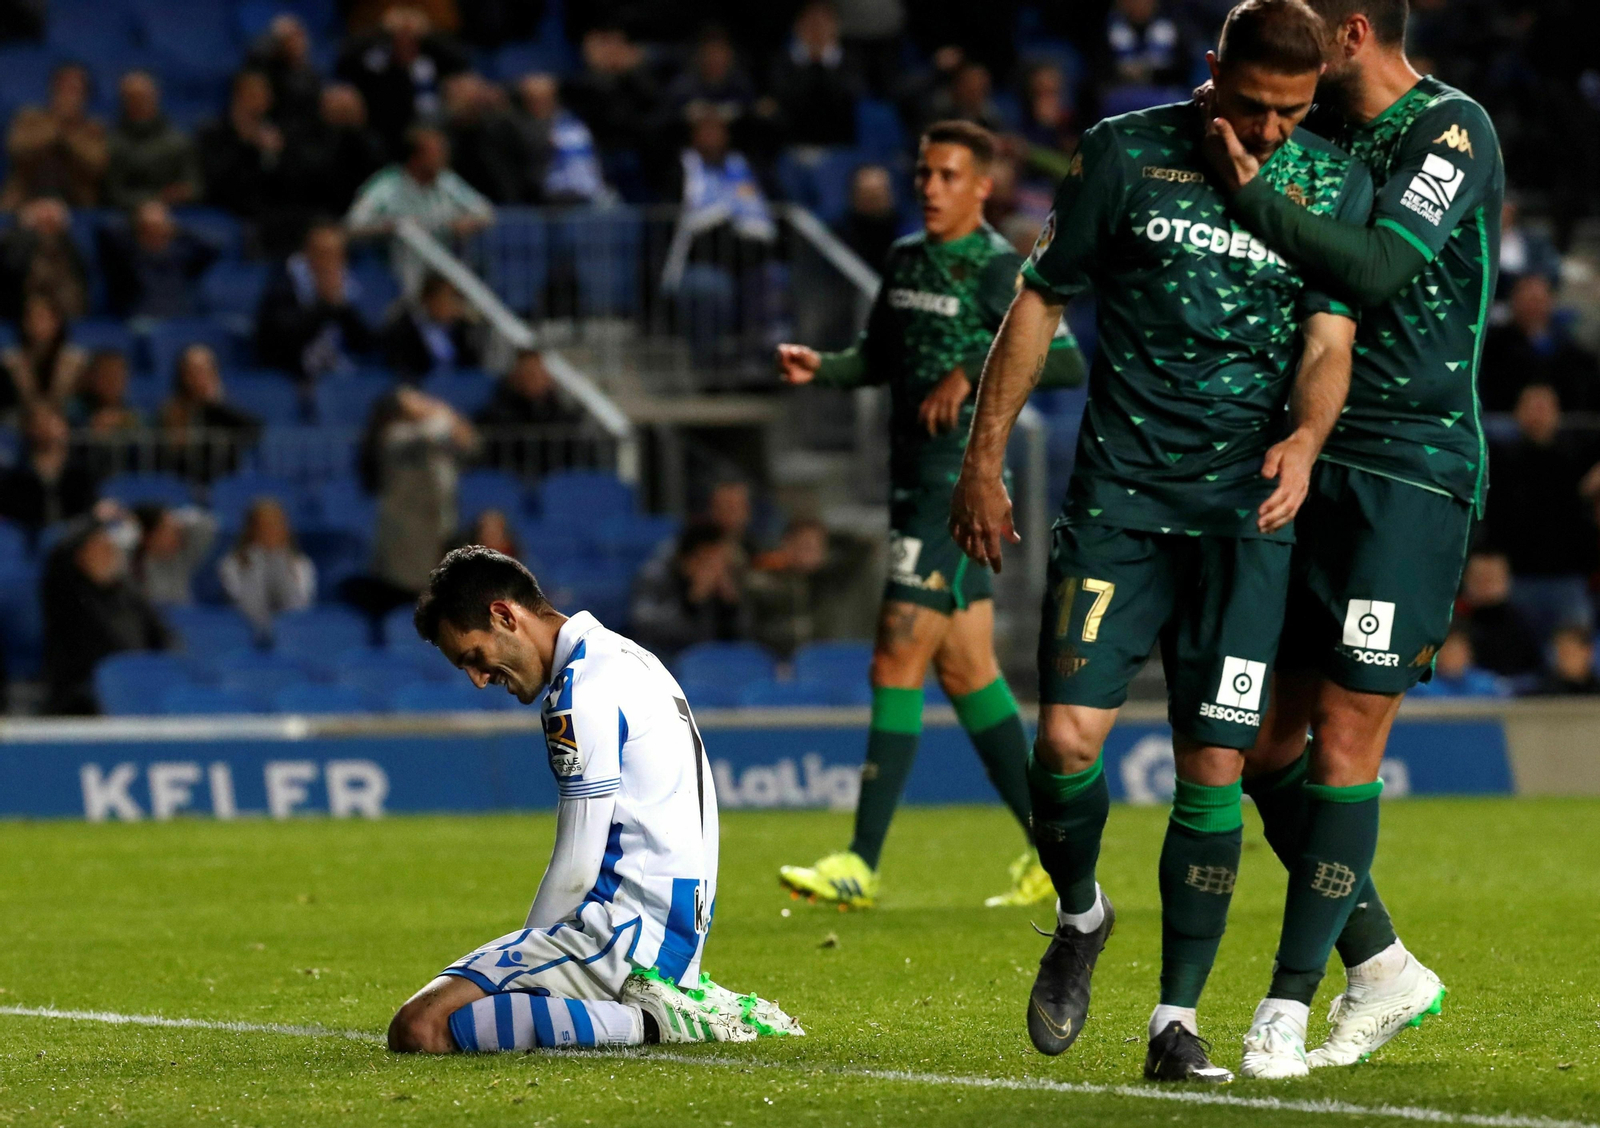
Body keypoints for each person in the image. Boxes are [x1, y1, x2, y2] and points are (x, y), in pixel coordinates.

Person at [950, 0, 1365, 1080]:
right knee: (1065, 747)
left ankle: (1173, 1026)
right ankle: (1082, 916)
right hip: (1121, 504)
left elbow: (1330, 340)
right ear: (1214, 71)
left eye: (1293, 110)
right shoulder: (1121, 155)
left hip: (1246, 518)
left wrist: (1309, 441)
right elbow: (1038, 306)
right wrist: (981, 461)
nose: (1272, 130)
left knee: (1214, 766)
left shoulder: (1327, 182)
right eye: (1255, 105)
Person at [1197, 0, 1505, 1077]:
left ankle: (1284, 1007)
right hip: (1309, 452)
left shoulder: (1449, 130)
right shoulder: (1316, 140)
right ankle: (1381, 970)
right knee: (1260, 747)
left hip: (1410, 468)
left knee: (1340, 735)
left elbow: (1374, 271)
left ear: (1352, 30)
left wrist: (1246, 188)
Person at [775, 120, 1086, 914]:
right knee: (968, 672)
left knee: (895, 657)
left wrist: (966, 370)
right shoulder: (908, 260)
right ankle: (1057, 851)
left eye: (949, 175)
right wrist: (826, 367)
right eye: (925, 173)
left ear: (983, 186)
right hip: (908, 485)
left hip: (958, 488)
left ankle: (861, 861)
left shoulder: (994, 269)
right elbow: (876, 354)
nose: (932, 187)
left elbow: (1066, 358)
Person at [387, 546, 801, 1053]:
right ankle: (663, 1004)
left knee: (420, 1027)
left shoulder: (578, 692)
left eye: (474, 657)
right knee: (476, 1019)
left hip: (620, 931)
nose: (478, 679)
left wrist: (526, 961)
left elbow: (578, 868)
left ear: (503, 615)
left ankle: (653, 1023)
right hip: (673, 932)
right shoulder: (628, 657)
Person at [1486, 384, 1598, 640]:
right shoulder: (1500, 458)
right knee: (1518, 647)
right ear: (1517, 412)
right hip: (1518, 577)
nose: (1538, 414)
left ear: (1557, 412)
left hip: (1569, 577)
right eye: (1531, 406)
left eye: (1544, 407)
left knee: (1573, 654)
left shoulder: (1580, 451)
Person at [41, 516, 172, 714]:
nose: (110, 554)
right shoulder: (67, 593)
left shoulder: (129, 594)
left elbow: (161, 636)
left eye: (111, 549)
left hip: (137, 683)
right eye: (100, 549)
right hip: (83, 694)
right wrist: (94, 519)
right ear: (79, 557)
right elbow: (58, 557)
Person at [360, 387, 478, 604]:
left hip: (442, 527)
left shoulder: (434, 435)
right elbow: (433, 431)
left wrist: (452, 422)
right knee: (409, 600)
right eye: (413, 399)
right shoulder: (393, 435)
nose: (423, 401)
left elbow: (470, 443)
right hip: (406, 537)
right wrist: (443, 411)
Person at [335, 5, 468, 157]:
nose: (406, 44)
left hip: (428, 131)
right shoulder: (375, 64)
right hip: (382, 133)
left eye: (412, 40)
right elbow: (344, 60)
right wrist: (381, 31)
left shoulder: (430, 60)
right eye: (400, 39)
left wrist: (429, 34)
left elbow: (461, 59)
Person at [254, 221, 378, 381]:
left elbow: (365, 345)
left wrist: (341, 307)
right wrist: (325, 305)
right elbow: (282, 344)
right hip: (292, 377)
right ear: (307, 254)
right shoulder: (283, 284)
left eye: (337, 255)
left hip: (342, 372)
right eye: (323, 254)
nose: (330, 263)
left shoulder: (351, 286)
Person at [345, 125, 494, 247]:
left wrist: (463, 223)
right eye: (436, 153)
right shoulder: (386, 185)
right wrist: (391, 229)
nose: (444, 157)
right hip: (393, 263)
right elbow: (353, 225)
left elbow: (485, 212)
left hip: (440, 263)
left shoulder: (447, 181)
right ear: (416, 158)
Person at [629, 521, 751, 659]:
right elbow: (644, 626)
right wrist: (691, 602)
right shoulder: (655, 576)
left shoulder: (724, 579)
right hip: (662, 658)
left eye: (720, 562)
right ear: (689, 559)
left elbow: (741, 639)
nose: (715, 570)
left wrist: (730, 605)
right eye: (708, 561)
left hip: (710, 663)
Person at [1480, 274, 1600, 411]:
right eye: (1528, 300)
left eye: (1538, 301)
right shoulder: (1493, 348)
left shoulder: (1571, 350)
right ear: (1514, 301)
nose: (1533, 307)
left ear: (1551, 302)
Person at [2, 61, 107, 209]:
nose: (69, 95)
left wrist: (69, 132)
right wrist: (57, 123)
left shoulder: (94, 128)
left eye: (75, 90)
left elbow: (97, 165)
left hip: (74, 202)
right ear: (53, 90)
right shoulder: (29, 118)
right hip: (27, 197)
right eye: (63, 88)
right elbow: (18, 150)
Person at [278, 85, 388, 225]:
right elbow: (311, 178)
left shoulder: (368, 140)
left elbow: (377, 178)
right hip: (313, 214)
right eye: (341, 108)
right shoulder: (304, 137)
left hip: (359, 213)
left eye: (350, 108)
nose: (345, 113)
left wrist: (354, 130)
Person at [98, 199, 219, 319]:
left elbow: (213, 250)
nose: (155, 229)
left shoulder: (180, 253)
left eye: (160, 224)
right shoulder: (129, 252)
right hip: (142, 317)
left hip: (179, 315)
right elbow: (106, 232)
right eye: (150, 225)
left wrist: (179, 230)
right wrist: (139, 220)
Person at [158, 344, 262, 479]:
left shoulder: (224, 410)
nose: (200, 377)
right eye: (194, 371)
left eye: (207, 370)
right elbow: (172, 459)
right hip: (183, 485)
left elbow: (254, 430)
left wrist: (216, 406)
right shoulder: (172, 410)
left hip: (222, 484)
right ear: (182, 375)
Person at [768, 1, 862, 147]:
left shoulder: (850, 60)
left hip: (840, 143)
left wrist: (824, 60)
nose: (817, 29)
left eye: (823, 23)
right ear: (798, 26)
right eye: (812, 22)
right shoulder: (783, 61)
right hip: (793, 143)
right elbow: (784, 98)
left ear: (836, 27)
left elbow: (851, 98)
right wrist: (809, 61)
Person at [103, 71, 202, 210]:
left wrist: (184, 192)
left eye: (145, 96)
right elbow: (113, 193)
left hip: (176, 212)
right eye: (133, 98)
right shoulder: (111, 142)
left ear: (156, 96)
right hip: (130, 212)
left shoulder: (179, 141)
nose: (140, 103)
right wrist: (156, 199)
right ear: (123, 101)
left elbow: (195, 186)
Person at [218, 498, 317, 634]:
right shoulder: (232, 564)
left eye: (277, 525)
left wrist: (278, 561)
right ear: (251, 530)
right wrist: (257, 560)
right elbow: (246, 606)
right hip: (247, 631)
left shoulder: (301, 564)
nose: (271, 531)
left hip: (290, 632)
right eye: (264, 526)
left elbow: (298, 608)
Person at [197, 70, 285, 221]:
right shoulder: (211, 132)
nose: (262, 101)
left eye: (264, 95)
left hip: (263, 214)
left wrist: (275, 155)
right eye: (253, 95)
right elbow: (214, 181)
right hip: (222, 210)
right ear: (238, 97)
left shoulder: (272, 134)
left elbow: (279, 187)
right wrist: (248, 146)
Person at [513, 73, 612, 205]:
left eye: (547, 98)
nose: (541, 104)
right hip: (547, 200)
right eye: (534, 99)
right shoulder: (518, 129)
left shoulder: (574, 123)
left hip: (591, 195)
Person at [0, 401, 98, 535]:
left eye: (52, 422)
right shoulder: (17, 476)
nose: (46, 429)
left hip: (73, 537)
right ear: (29, 429)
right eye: (40, 423)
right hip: (29, 536)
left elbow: (88, 510)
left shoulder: (81, 471)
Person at [441, 72, 534, 205]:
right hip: (460, 206)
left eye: (472, 95)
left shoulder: (499, 127)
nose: (467, 101)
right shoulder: (443, 135)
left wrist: (502, 108)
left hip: (505, 203)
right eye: (457, 95)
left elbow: (524, 155)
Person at [0, 195, 89, 321]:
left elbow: (78, 300)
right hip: (18, 320)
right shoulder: (15, 251)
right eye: (40, 224)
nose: (46, 231)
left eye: (51, 224)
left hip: (66, 321)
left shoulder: (72, 254)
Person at [1458, 550, 1544, 680]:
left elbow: (1536, 669)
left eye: (1492, 578)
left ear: (1506, 580)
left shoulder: (1525, 622)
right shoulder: (1452, 622)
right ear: (1466, 580)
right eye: (1479, 578)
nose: (1485, 585)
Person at [380, 272, 480, 381]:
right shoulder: (402, 329)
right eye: (450, 299)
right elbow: (401, 369)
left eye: (458, 299)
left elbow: (472, 367)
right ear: (430, 298)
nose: (455, 307)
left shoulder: (461, 330)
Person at [1, 292, 87, 412]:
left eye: (41, 316)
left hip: (67, 417)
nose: (34, 323)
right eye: (29, 316)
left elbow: (58, 399)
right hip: (25, 417)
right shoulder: (13, 356)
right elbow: (28, 398)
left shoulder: (73, 355)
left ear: (56, 321)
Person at [129, 501, 218, 607]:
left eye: (176, 530)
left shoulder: (183, 556)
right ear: (148, 536)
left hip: (182, 618)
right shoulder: (129, 560)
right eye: (167, 531)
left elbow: (208, 524)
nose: (177, 536)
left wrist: (178, 518)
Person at [247, 13, 323, 134]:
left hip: (305, 133)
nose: (297, 43)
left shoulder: (311, 75)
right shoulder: (267, 71)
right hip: (275, 130)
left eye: (299, 37)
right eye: (289, 39)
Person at [1407, 624, 1508, 698]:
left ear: (1469, 653)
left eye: (1459, 650)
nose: (1453, 656)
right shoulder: (1419, 689)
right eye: (1448, 649)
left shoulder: (1487, 686)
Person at [836, 164, 899, 273]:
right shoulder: (839, 237)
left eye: (881, 193)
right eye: (870, 195)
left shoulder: (905, 231)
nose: (877, 200)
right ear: (855, 196)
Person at [69, 349, 142, 435]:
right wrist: (92, 425)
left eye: (117, 376)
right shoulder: (75, 409)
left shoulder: (131, 413)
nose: (112, 381)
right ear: (93, 377)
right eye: (107, 374)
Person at [1523, 625, 1600, 696]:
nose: (1562, 659)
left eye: (1568, 652)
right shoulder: (1542, 695)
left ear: (1587, 651)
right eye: (1559, 653)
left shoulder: (1596, 691)